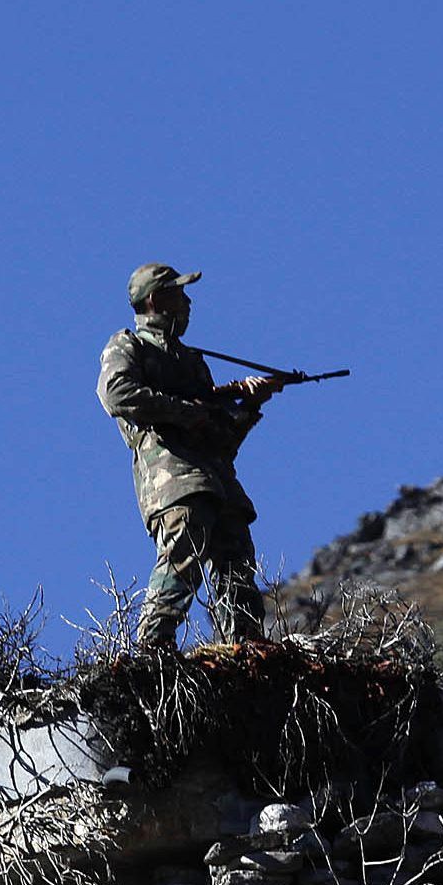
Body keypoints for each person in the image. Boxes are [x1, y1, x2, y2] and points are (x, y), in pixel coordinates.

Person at [98, 262, 289, 650]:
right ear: (154, 300)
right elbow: (115, 394)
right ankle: (153, 648)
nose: (188, 302)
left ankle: (245, 652)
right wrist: (187, 412)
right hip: (175, 483)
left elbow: (221, 443)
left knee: (236, 569)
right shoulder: (128, 346)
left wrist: (249, 407)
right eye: (179, 293)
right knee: (182, 555)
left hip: (218, 485)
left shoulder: (192, 363)